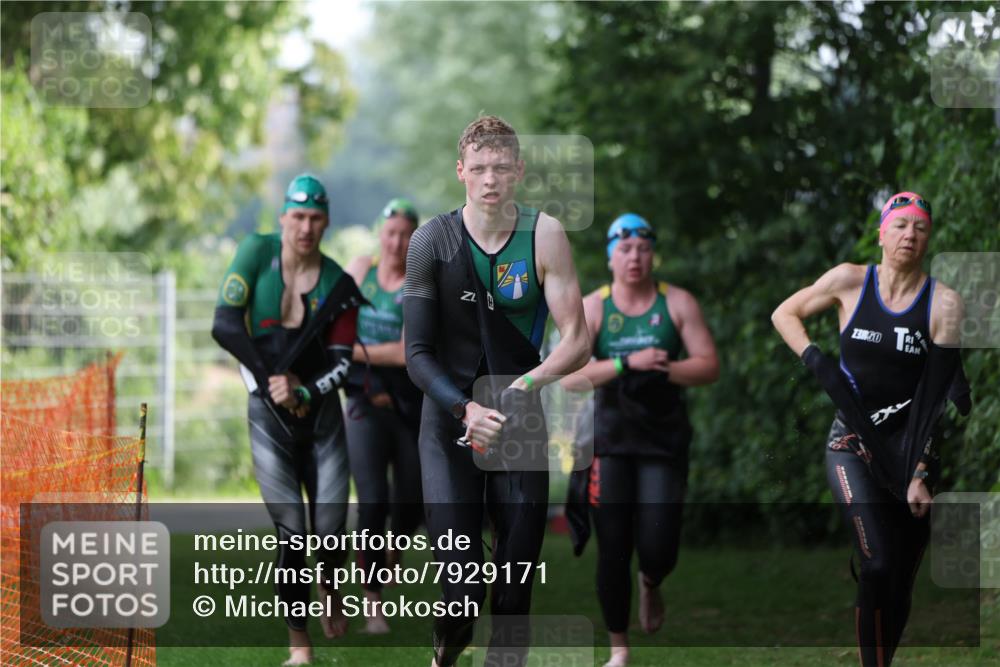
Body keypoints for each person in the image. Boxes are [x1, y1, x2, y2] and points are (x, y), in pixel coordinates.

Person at [403, 115, 591, 667]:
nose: (491, 179)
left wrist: (526, 385)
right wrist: (464, 409)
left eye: (502, 167)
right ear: (460, 171)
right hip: (448, 425)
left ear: (519, 171)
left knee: (513, 591)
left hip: (519, 419)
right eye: (480, 167)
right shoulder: (431, 241)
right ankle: (444, 653)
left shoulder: (545, 235)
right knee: (462, 593)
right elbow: (417, 355)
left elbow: (577, 340)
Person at [771, 191, 970, 666]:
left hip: (911, 450)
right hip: (852, 443)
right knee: (877, 562)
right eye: (900, 225)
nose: (910, 235)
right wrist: (816, 360)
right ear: (881, 233)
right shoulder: (849, 281)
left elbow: (934, 402)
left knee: (898, 580)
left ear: (929, 238)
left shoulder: (944, 304)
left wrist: (919, 472)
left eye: (920, 227)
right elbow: (784, 313)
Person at [212, 174, 365, 665]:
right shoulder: (256, 254)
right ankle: (299, 642)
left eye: (315, 218)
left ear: (326, 222)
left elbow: (343, 363)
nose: (305, 227)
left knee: (331, 528)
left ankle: (330, 584)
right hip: (267, 411)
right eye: (298, 217)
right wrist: (273, 381)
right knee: (292, 530)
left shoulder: (338, 284)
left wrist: (302, 391)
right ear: (283, 218)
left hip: (321, 418)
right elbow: (224, 324)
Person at [562, 213, 719, 667]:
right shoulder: (594, 307)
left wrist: (664, 367)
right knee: (612, 546)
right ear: (611, 257)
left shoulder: (677, 303)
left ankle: (651, 580)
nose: (635, 258)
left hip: (661, 439)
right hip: (609, 440)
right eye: (625, 249)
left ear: (653, 255)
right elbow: (569, 378)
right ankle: (619, 648)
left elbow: (708, 365)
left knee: (658, 542)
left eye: (643, 249)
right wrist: (626, 363)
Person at [343, 197, 424, 634]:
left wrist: (352, 352)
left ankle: (396, 545)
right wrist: (363, 354)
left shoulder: (418, 284)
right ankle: (374, 607)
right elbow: (332, 327)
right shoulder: (361, 270)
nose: (397, 242)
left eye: (406, 235)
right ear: (380, 234)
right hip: (362, 402)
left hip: (408, 406)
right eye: (391, 233)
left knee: (410, 499)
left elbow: (407, 353)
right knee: (372, 501)